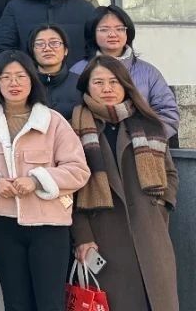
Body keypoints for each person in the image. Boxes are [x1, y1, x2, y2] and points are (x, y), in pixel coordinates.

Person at [0, 51, 89, 311]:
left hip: (49, 226)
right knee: (15, 303)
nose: (14, 83)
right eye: (6, 77)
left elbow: (79, 170)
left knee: (49, 303)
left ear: (32, 80)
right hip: (2, 225)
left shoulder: (53, 121)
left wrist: (37, 180)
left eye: (21, 76)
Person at [70, 56, 179, 311]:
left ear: (125, 85)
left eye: (114, 82)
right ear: (87, 87)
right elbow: (70, 191)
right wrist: (82, 236)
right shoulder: (74, 128)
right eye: (98, 82)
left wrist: (162, 206)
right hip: (104, 235)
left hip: (150, 231)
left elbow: (170, 173)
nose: (107, 88)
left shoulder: (148, 124)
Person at [71, 6, 181, 145]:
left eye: (119, 29)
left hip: (143, 147)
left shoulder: (148, 72)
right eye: (104, 29)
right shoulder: (78, 70)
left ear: (128, 33)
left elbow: (168, 113)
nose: (112, 34)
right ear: (93, 33)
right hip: (91, 147)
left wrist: (143, 140)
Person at [29, 25, 80, 119]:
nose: (47, 49)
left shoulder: (80, 83)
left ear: (65, 50)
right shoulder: (25, 83)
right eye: (40, 44)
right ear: (32, 51)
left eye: (54, 43)